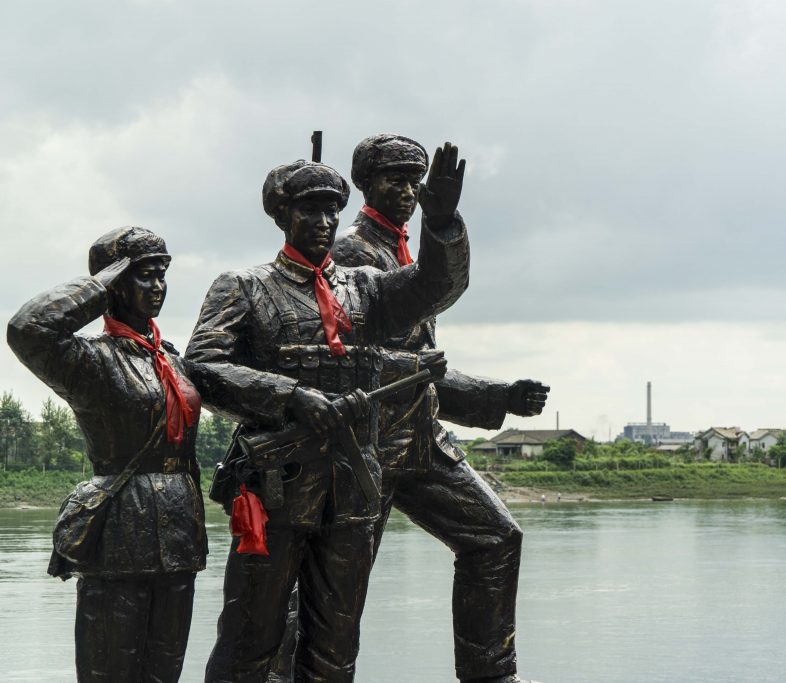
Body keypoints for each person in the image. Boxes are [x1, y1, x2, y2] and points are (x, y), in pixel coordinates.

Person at [187, 144, 470, 682]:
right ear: (282, 216)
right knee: (252, 635)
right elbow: (201, 366)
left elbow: (436, 287)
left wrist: (441, 222)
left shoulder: (367, 287)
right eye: (308, 211)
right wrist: (288, 395)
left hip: (352, 485)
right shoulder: (244, 287)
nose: (322, 223)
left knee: (337, 642)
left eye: (330, 212)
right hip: (278, 484)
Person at [335, 133, 548, 683]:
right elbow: (418, 317)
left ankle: (490, 673)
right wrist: (443, 226)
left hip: (423, 441)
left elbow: (421, 365)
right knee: (338, 585)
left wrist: (497, 396)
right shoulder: (349, 256)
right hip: (367, 445)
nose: (407, 190)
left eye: (415, 179)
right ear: (365, 184)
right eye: (394, 179)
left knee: (496, 538)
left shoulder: (404, 245)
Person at [7, 227, 207, 683]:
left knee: (164, 669)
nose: (157, 287)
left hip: (180, 531)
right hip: (119, 531)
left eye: (162, 276)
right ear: (115, 283)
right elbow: (28, 328)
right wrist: (100, 281)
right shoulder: (89, 361)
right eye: (143, 277)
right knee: (109, 669)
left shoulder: (172, 360)